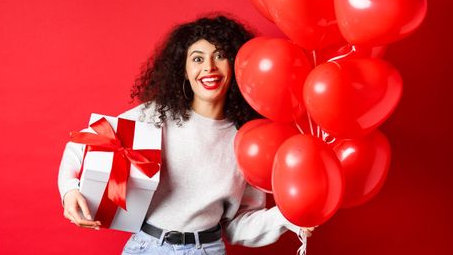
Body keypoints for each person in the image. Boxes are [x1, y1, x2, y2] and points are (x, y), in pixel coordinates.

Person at [58, 15, 313, 254]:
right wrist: (69, 190)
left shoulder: (250, 140)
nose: (209, 67)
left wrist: (287, 217)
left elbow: (238, 226)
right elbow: (83, 142)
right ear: (184, 70)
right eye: (198, 59)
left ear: (236, 65)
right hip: (146, 247)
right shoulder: (157, 115)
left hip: (206, 249)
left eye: (220, 56)